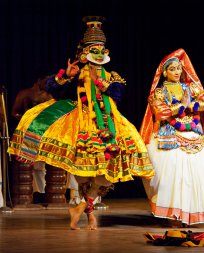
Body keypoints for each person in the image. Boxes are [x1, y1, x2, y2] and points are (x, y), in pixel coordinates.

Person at [7, 16, 154, 229]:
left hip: (109, 123)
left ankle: (83, 206)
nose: (98, 53)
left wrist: (106, 86)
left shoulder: (112, 76)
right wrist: (64, 76)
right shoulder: (76, 73)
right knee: (84, 171)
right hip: (80, 121)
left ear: (106, 52)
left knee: (107, 172)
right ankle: (88, 213)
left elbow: (119, 96)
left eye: (101, 49)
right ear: (85, 52)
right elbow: (52, 89)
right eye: (93, 49)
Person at [140, 48, 204, 227]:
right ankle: (173, 215)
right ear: (164, 73)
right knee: (172, 176)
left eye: (179, 69)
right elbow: (160, 112)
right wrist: (181, 107)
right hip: (168, 134)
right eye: (172, 69)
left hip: (193, 135)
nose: (177, 72)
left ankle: (189, 214)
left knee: (196, 174)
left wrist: (190, 105)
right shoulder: (159, 92)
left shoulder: (191, 87)